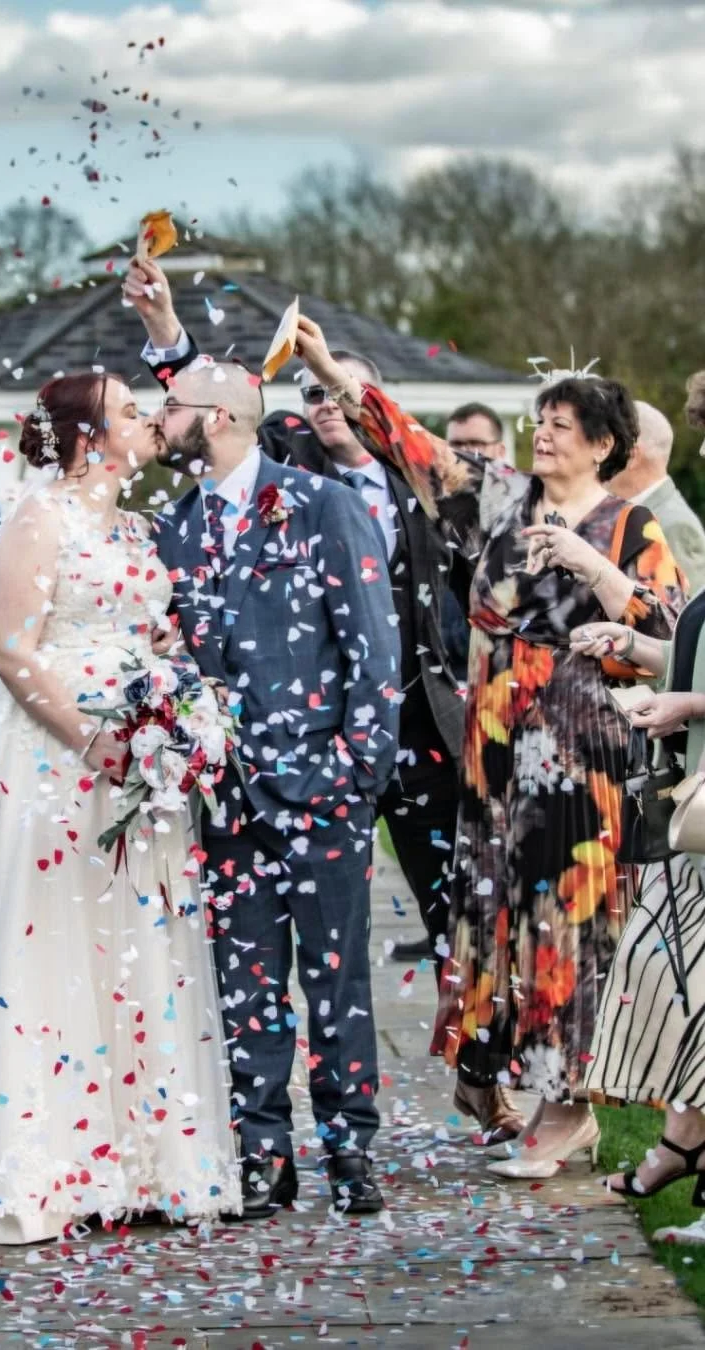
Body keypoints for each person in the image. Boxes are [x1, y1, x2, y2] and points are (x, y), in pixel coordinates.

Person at [296, 316, 687, 1174]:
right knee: (496, 919)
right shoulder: (501, 500)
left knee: (566, 923)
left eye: (560, 424)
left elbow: (666, 628)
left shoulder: (631, 528)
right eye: (539, 420)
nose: (542, 433)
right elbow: (408, 444)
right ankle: (494, 1073)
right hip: (496, 744)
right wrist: (328, 366)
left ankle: (564, 1106)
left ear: (602, 444)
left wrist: (591, 566)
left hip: (585, 749)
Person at [0, 372, 241, 1242]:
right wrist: (97, 739)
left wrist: (176, 707)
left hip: (138, 762)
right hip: (59, 763)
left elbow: (152, 629)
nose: (149, 422)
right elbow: (10, 651)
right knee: (54, 940)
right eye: (131, 413)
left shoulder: (137, 526)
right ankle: (38, 1161)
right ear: (86, 436)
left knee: (138, 943)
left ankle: (150, 1160)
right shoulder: (36, 519)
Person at [126, 258, 464, 976]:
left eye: (340, 392)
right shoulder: (294, 471)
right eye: (311, 392)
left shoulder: (431, 483)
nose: (325, 404)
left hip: (426, 728)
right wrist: (163, 325)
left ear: (376, 404)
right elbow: (212, 415)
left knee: (453, 918)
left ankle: (476, 1072)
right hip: (308, 746)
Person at [148, 355, 400, 1216]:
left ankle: (350, 1146)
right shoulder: (171, 526)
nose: (160, 416)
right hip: (222, 799)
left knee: (338, 981)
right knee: (243, 984)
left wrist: (358, 773)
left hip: (323, 787)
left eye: (171, 404)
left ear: (217, 418)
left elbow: (372, 645)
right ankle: (263, 1152)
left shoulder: (322, 503)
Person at [569, 599, 705, 1242]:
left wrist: (692, 707)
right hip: (695, 817)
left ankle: (686, 1149)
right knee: (655, 968)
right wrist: (630, 643)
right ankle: (688, 1144)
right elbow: (687, 663)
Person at [606, 401, 705, 595]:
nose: (596, 455)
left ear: (631, 456)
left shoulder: (673, 525)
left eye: (606, 444)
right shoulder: (637, 514)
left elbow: (686, 617)